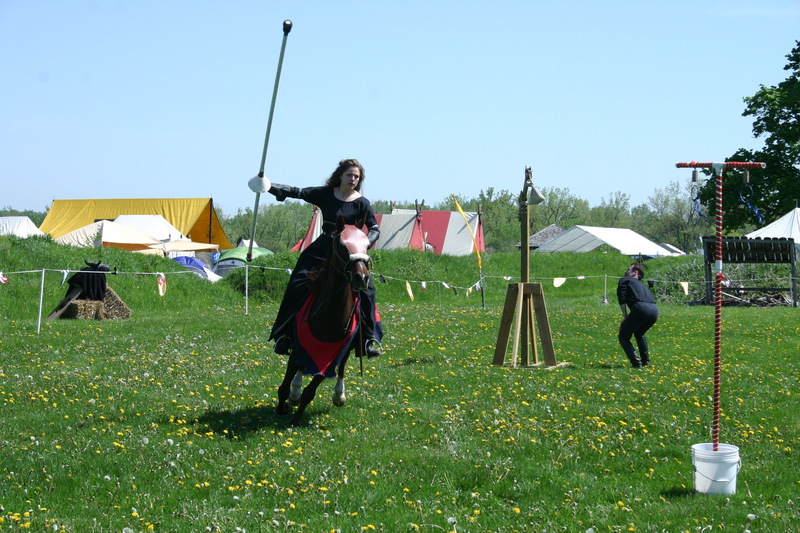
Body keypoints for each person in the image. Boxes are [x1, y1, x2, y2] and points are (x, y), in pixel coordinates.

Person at [266, 158, 383, 358]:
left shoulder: (362, 202)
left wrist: (363, 244)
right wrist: (268, 186)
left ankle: (367, 339)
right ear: (341, 175)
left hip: (350, 253)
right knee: (298, 283)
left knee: (367, 290)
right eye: (349, 175)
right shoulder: (326, 194)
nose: (353, 179)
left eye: (356, 176)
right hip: (322, 249)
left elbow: (374, 229)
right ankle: (284, 334)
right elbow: (298, 192)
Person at [616, 262, 659, 368]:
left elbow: (622, 299)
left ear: (635, 272)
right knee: (639, 333)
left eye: (628, 269)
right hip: (654, 310)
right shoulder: (642, 285)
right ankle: (645, 361)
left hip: (641, 309)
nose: (625, 271)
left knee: (623, 336)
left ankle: (636, 362)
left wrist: (625, 318)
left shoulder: (625, 280)